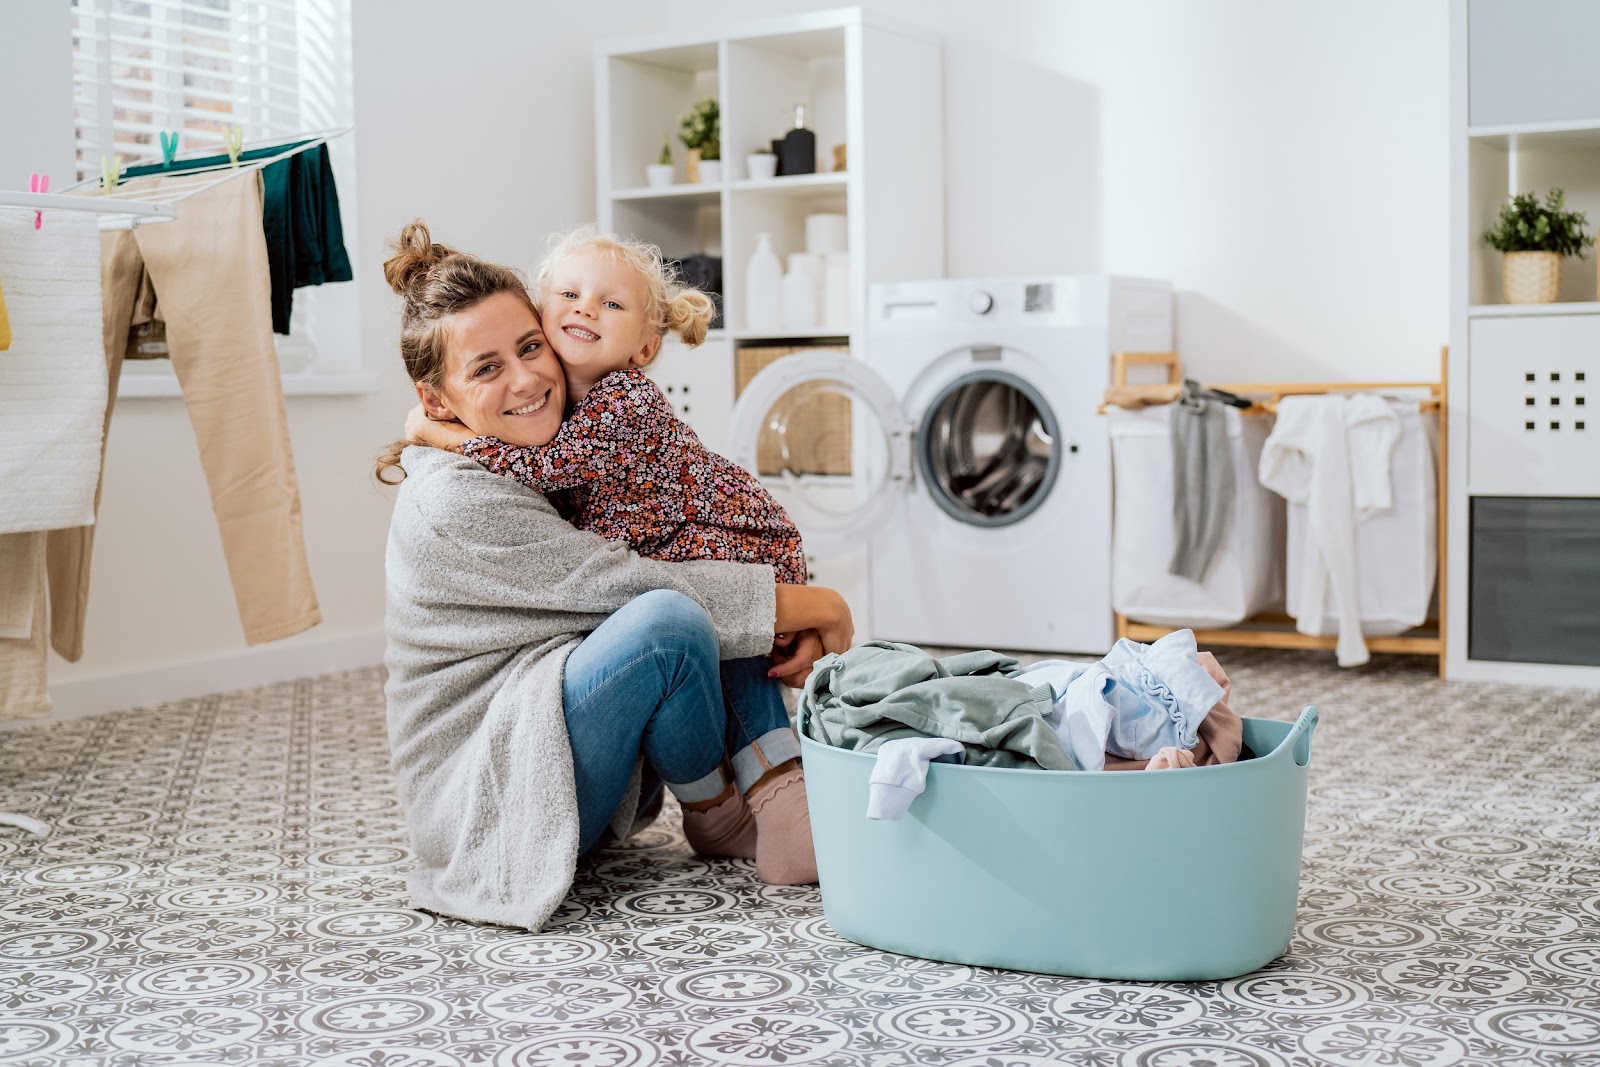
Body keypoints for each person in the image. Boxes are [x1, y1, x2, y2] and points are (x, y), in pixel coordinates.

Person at [376, 221, 852, 930]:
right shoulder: (457, 497)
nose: (528, 377)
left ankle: (772, 789)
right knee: (668, 617)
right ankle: (725, 811)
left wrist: (434, 425)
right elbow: (626, 583)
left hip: (548, 741)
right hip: (492, 794)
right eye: (486, 368)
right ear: (438, 397)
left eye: (530, 346)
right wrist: (824, 607)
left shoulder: (575, 429)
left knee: (697, 590)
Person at [405, 225, 807, 589]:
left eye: (612, 305)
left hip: (734, 538)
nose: (586, 308)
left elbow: (546, 468)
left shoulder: (627, 396)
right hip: (670, 542)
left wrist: (442, 434)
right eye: (569, 294)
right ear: (543, 312)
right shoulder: (554, 406)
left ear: (645, 347)